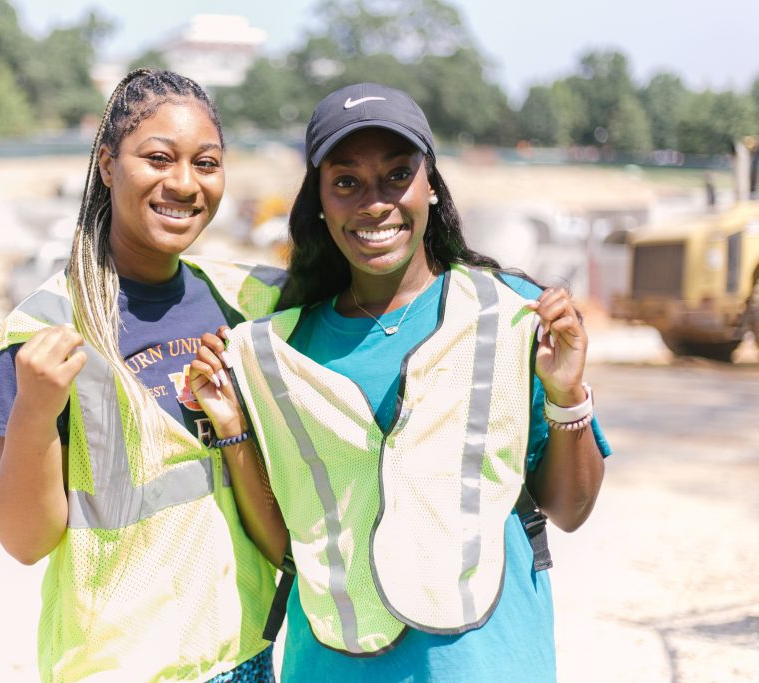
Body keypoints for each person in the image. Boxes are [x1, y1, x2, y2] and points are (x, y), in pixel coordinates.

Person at [188, 83, 612, 682]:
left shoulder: (512, 317)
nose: (374, 203)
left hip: (488, 663)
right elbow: (289, 543)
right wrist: (230, 428)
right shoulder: (275, 351)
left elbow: (568, 510)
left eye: (396, 175)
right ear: (319, 203)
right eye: (346, 183)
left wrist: (568, 395)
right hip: (333, 663)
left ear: (431, 185)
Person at [0, 68, 286, 683]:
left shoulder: (243, 302)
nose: (184, 183)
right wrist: (35, 411)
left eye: (206, 163)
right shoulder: (44, 329)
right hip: (116, 669)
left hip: (243, 657)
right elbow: (23, 540)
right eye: (157, 158)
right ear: (107, 165)